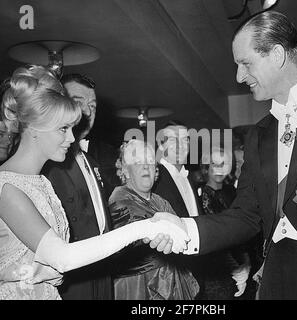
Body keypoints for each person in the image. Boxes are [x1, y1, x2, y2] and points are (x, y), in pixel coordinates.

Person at [149, 11, 297, 299]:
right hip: (277, 275)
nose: (239, 76)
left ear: (277, 55)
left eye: (246, 64)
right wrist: (185, 229)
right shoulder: (259, 134)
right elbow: (246, 215)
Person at [0, 65, 189, 300]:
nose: (71, 137)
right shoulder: (8, 188)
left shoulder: (39, 181)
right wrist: (146, 227)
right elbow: (62, 257)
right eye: (63, 129)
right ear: (35, 129)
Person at [42, 74, 117, 300]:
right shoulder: (48, 162)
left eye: (92, 105)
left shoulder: (92, 162)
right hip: (71, 281)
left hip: (101, 275)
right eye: (78, 101)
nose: (87, 111)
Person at [109, 139, 199, 300]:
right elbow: (140, 250)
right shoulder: (120, 199)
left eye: (150, 162)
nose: (145, 166)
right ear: (125, 170)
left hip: (170, 282)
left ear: (156, 170)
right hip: (140, 287)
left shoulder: (159, 200)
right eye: (137, 162)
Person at [152, 121, 205, 296]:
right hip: (169, 273)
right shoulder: (153, 178)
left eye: (185, 140)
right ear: (161, 144)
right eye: (173, 140)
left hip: (195, 266)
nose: (181, 146)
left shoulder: (188, 177)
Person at [199, 147, 251, 300]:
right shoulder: (204, 196)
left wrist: (246, 260)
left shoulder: (232, 191)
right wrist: (236, 268)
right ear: (206, 167)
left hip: (244, 261)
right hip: (221, 269)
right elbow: (216, 238)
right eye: (214, 164)